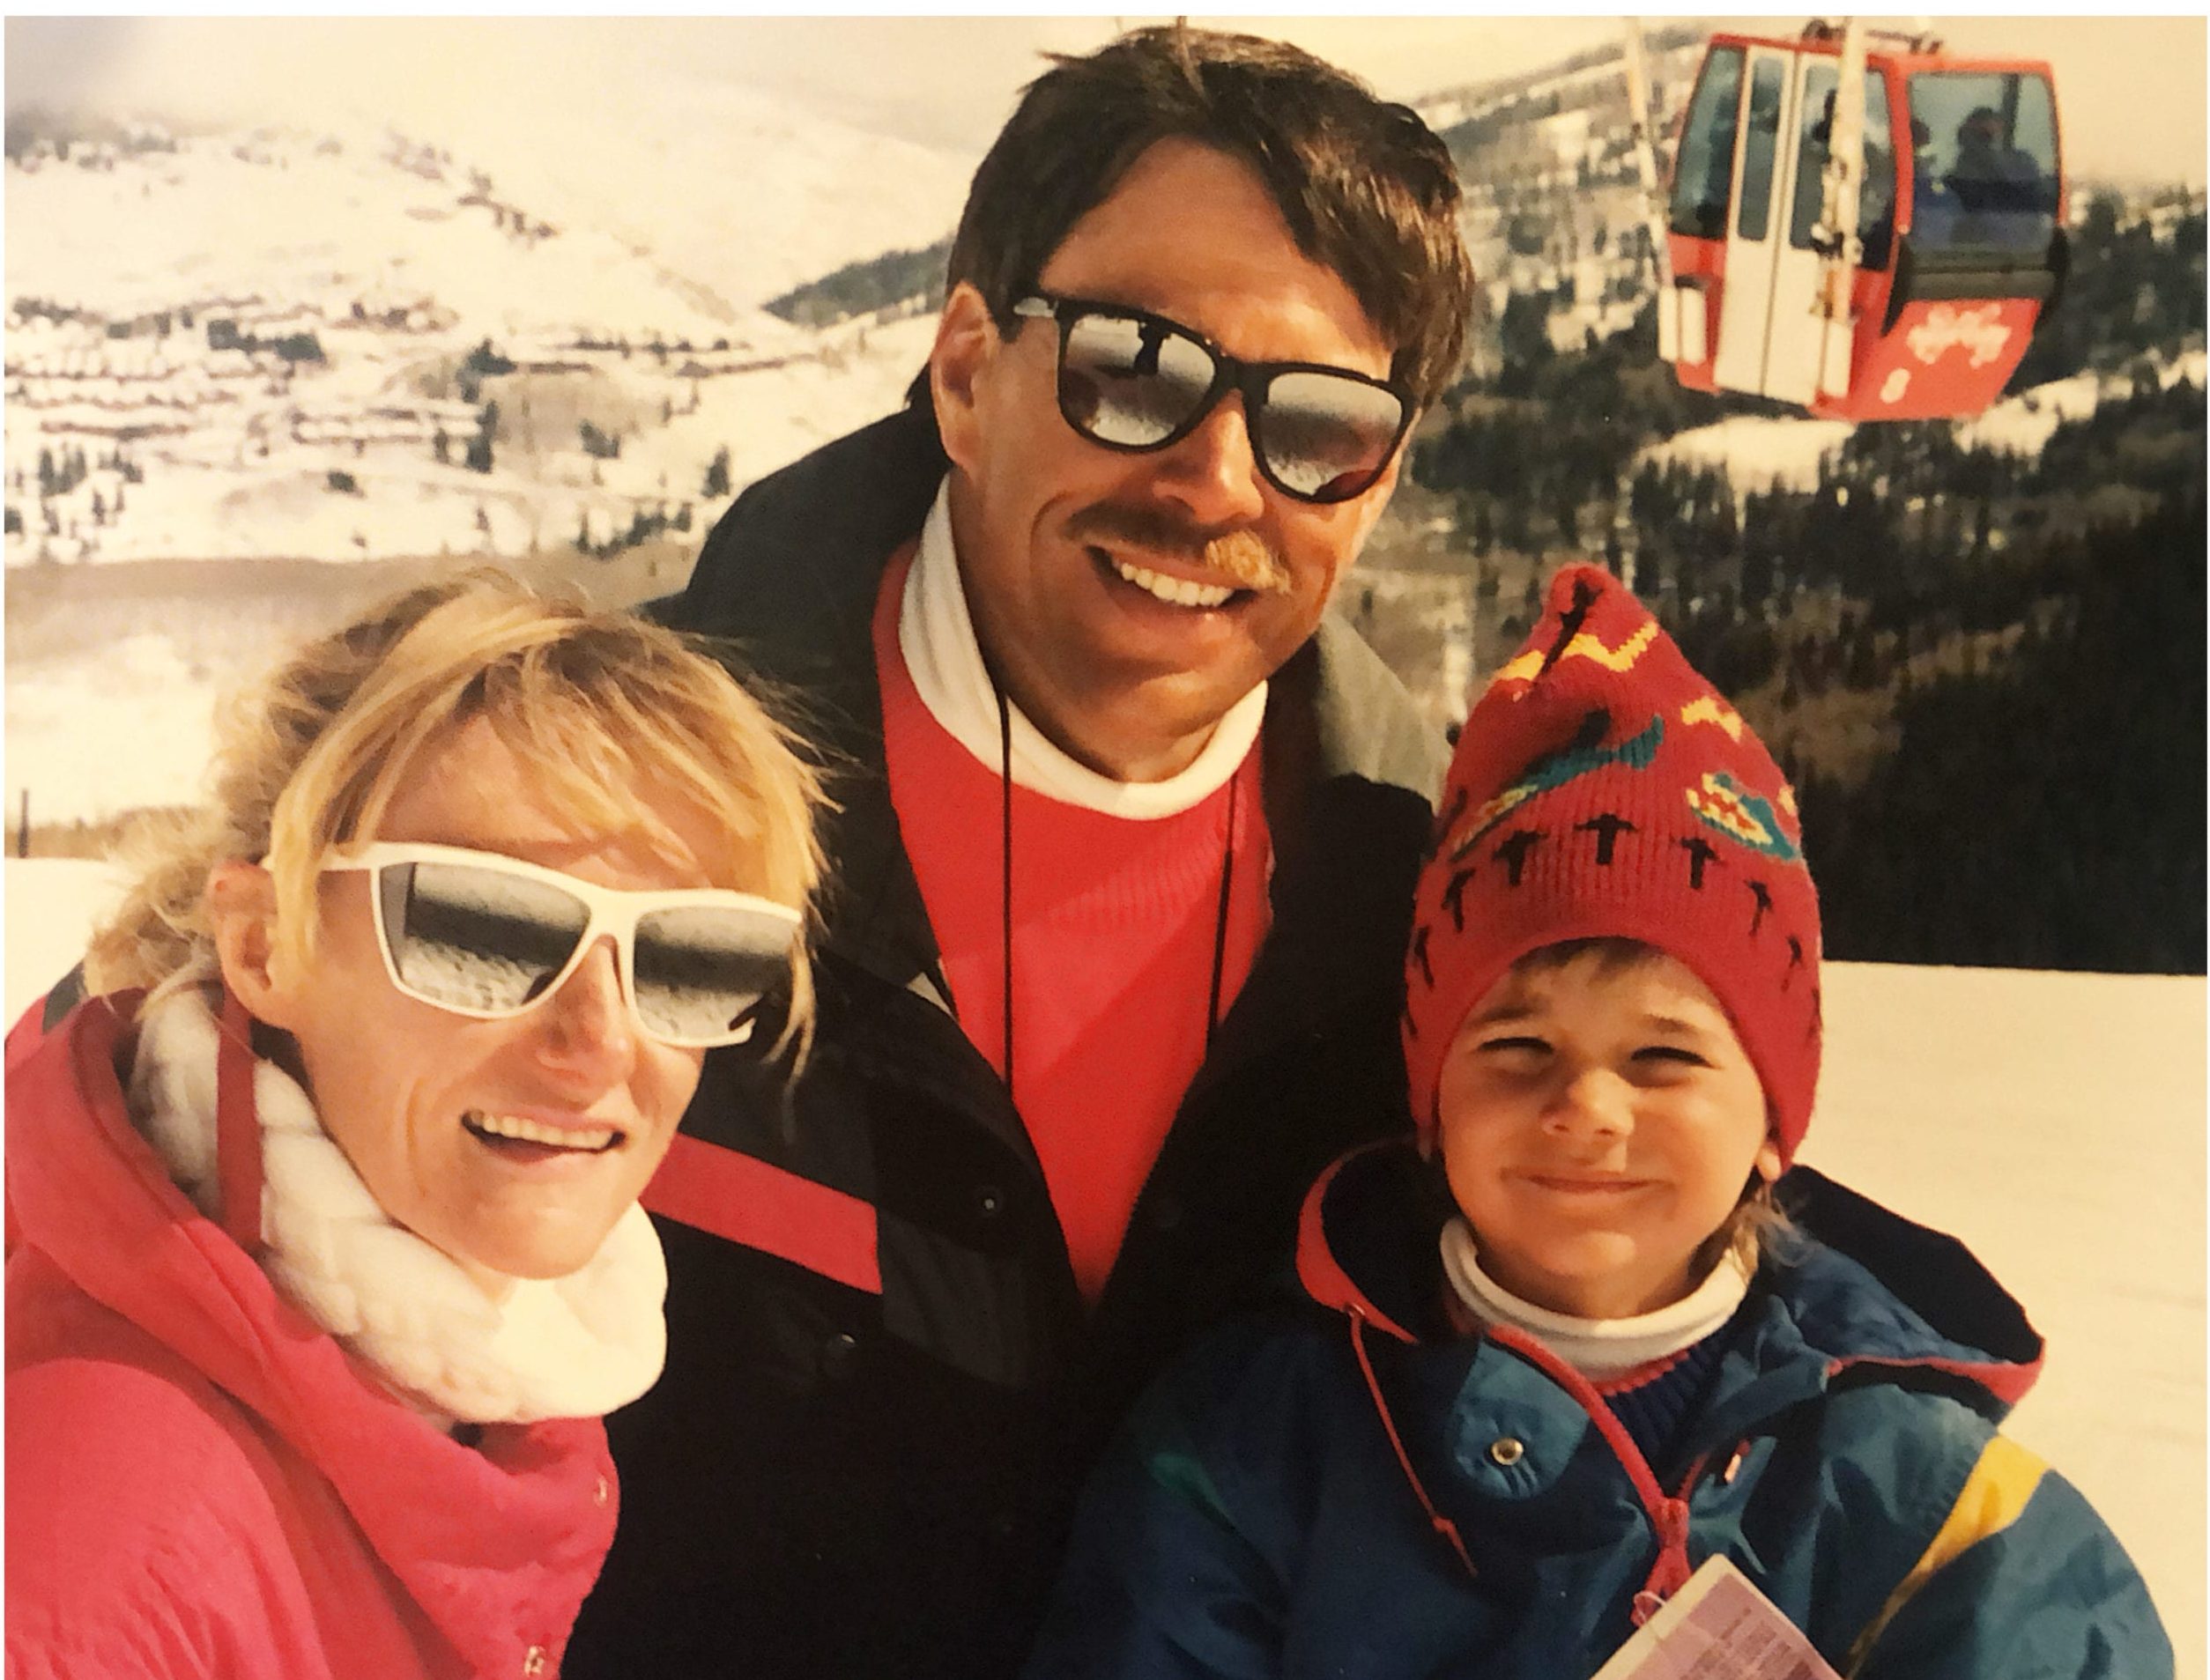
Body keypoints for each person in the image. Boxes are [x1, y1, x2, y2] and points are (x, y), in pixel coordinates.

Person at [566, 22, 1476, 1679]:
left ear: (1376, 478)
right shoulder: (617, 801)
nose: (1214, 484)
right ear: (969, 370)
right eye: (1135, 368)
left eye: (1317, 426)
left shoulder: (1419, 919)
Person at [1023, 564, 2171, 1677]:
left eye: (1664, 1056)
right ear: (1430, 1103)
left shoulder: (1925, 1503)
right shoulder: (1254, 1443)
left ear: (1774, 1121)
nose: (1586, 1106)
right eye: (1518, 1047)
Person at [6, 574, 826, 1679]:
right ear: (265, 944)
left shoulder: (478, 1365)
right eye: (483, 927)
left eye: (693, 958)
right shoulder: (108, 1550)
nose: (600, 1037)